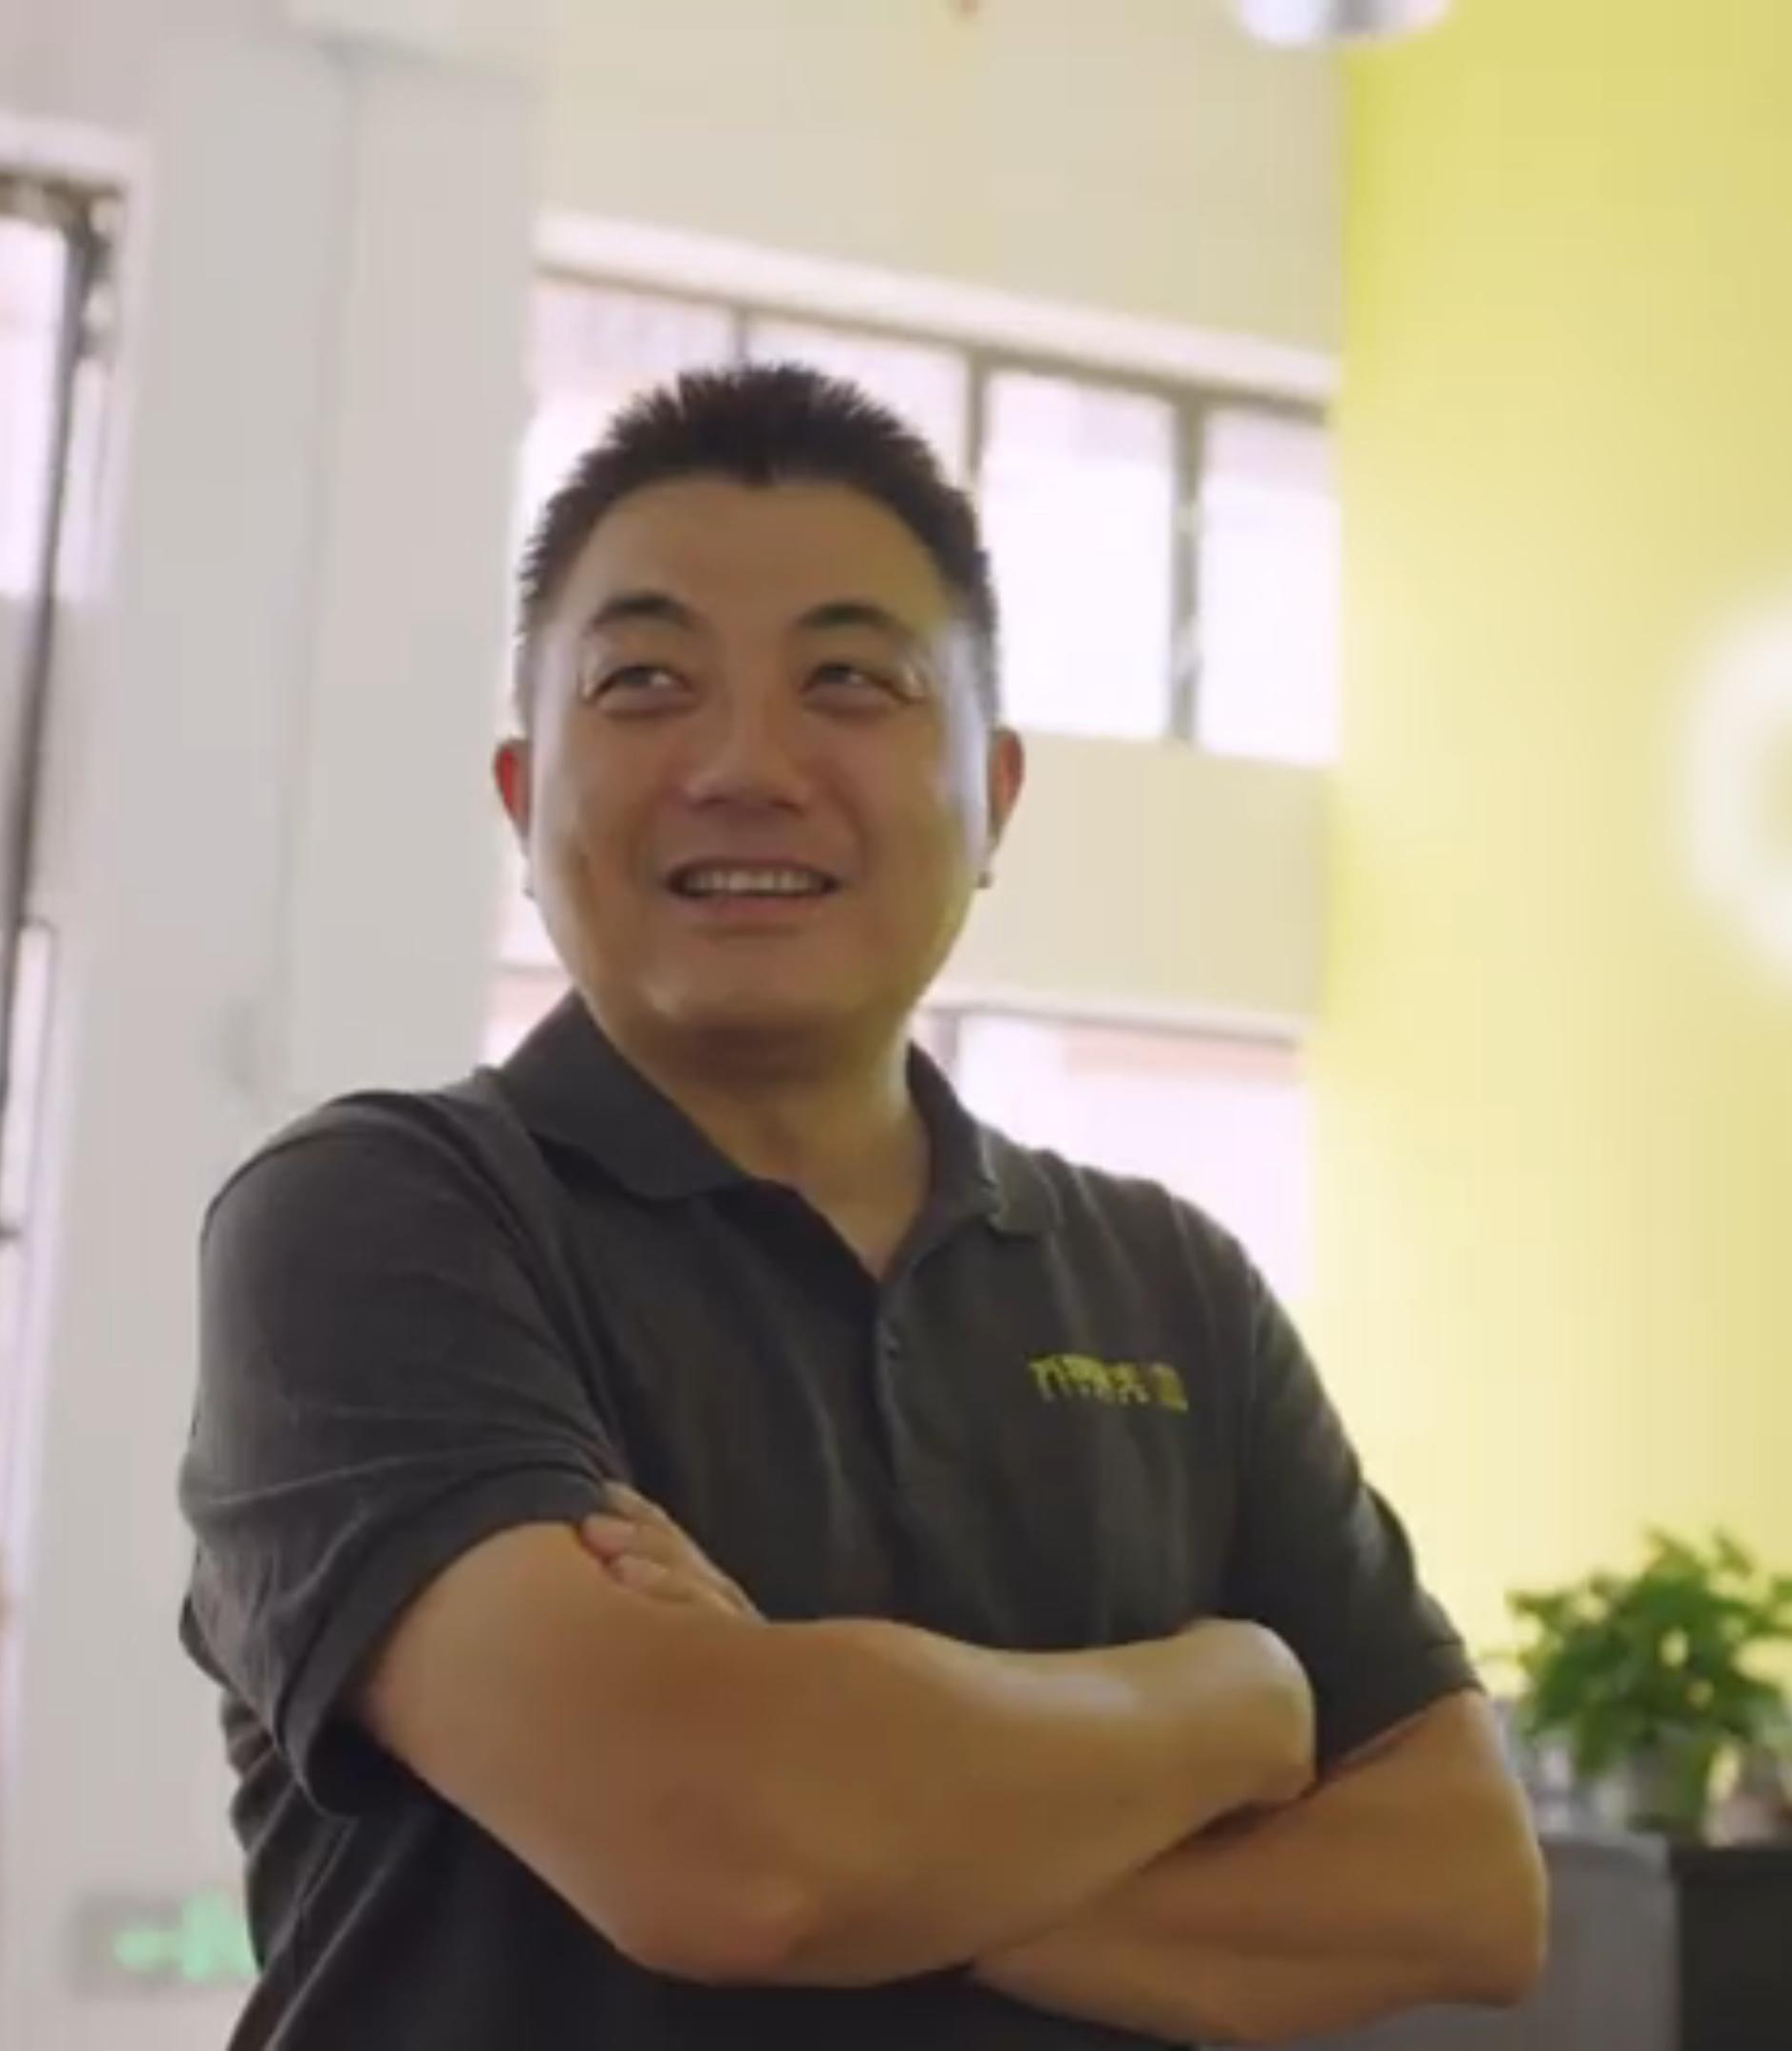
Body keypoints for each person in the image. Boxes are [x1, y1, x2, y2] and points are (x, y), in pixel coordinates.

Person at [179, 364, 1547, 2047]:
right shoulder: (383, 1221)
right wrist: (1231, 1697)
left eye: (850, 681)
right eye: (646, 681)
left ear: (997, 798)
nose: (746, 763)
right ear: (525, 804)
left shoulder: (1170, 1284)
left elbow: (1460, 1888)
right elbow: (733, 1854)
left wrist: (861, 1822)